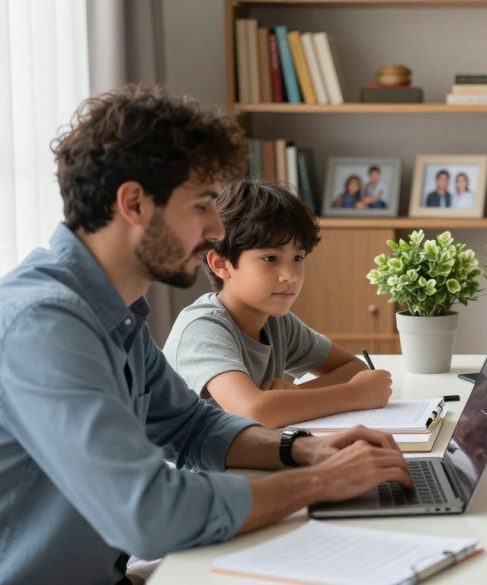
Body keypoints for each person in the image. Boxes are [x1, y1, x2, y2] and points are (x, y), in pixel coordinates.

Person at [0, 84, 411, 585]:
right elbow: (149, 515)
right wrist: (322, 481)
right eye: (201, 206)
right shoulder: (44, 324)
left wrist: (302, 449)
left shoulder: (114, 311)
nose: (217, 228)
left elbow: (191, 426)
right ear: (133, 204)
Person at [163, 180, 392, 428]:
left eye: (297, 258)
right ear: (221, 264)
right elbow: (254, 412)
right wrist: (355, 395)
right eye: (270, 258)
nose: (290, 275)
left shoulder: (277, 323)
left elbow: (352, 368)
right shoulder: (202, 329)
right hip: (194, 466)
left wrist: (293, 395)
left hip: (245, 459)